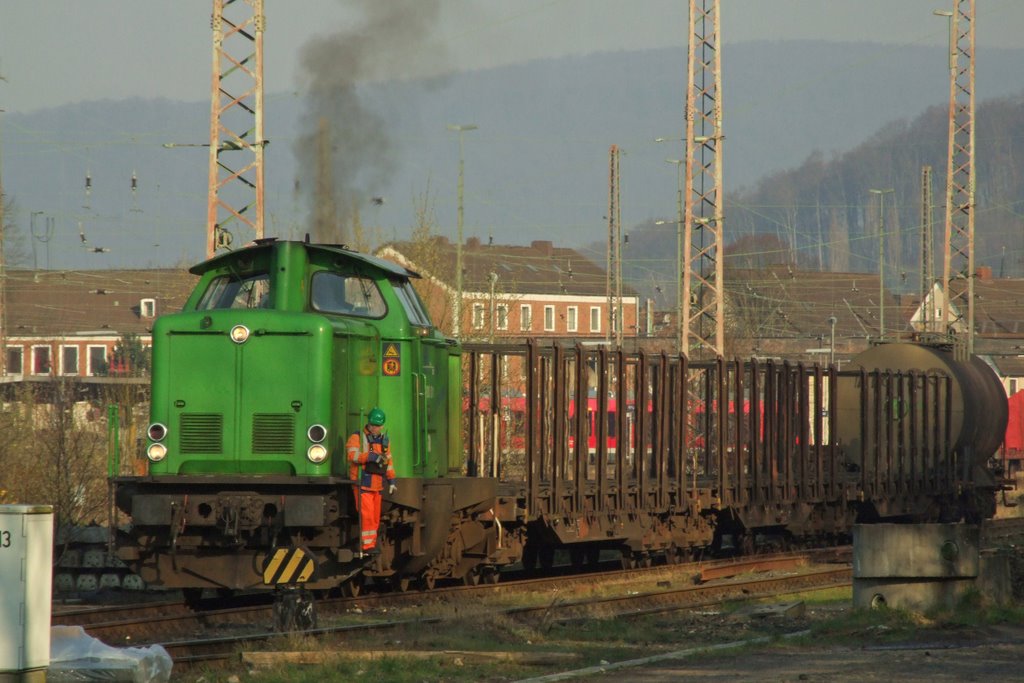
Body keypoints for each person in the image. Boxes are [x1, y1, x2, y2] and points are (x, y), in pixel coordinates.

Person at [346, 407, 397, 555]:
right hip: (362, 482)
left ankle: (371, 544)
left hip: (377, 484)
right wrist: (369, 456)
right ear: (369, 423)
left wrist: (392, 480)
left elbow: (389, 462)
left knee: (375, 517)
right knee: (367, 516)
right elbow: (352, 455)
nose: (376, 428)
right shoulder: (357, 437)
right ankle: (367, 546)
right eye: (374, 425)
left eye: (378, 426)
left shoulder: (384, 441)